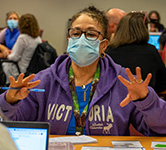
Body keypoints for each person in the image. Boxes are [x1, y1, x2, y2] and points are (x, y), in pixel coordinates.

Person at [0, 6, 166, 136]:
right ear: (68, 39)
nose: (81, 40)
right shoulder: (44, 80)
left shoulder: (122, 81)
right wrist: (10, 101)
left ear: (103, 45)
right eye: (76, 33)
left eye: (91, 35)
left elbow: (160, 128)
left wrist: (146, 101)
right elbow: (14, 126)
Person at [105, 11, 166, 93]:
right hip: (144, 101)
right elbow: (162, 83)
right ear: (143, 29)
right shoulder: (151, 51)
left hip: (114, 102)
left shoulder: (108, 51)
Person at [2, 14, 42, 85]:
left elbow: (15, 58)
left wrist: (6, 55)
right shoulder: (38, 39)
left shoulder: (22, 38)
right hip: (30, 68)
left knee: (3, 64)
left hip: (18, 69)